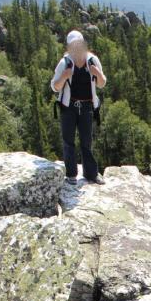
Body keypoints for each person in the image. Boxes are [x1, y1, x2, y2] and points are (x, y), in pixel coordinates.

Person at [50, 30, 106, 185]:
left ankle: (91, 174)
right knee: (68, 141)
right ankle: (71, 174)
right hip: (68, 107)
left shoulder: (92, 61)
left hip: (87, 107)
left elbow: (102, 84)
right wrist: (64, 76)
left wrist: (98, 74)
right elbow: (55, 86)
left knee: (86, 141)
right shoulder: (65, 63)